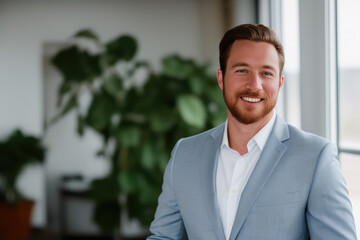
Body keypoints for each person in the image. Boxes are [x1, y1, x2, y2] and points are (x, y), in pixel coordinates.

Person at [147, 24, 357, 240]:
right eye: (242, 70)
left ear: (280, 83)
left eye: (266, 73)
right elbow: (163, 237)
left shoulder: (316, 157)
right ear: (221, 79)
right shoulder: (184, 154)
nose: (254, 85)